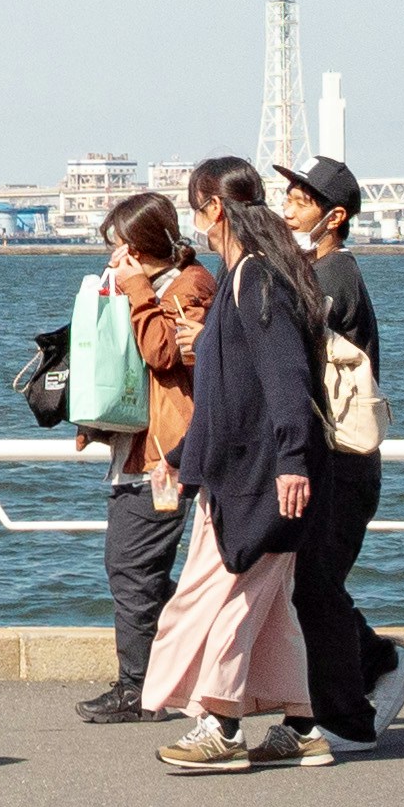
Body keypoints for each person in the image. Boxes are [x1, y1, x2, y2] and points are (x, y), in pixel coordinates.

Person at [144, 158, 328, 771]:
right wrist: (182, 458)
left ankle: (220, 727)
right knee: (270, 605)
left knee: (228, 601)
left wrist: (293, 460)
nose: (194, 221)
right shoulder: (249, 275)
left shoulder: (255, 278)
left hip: (264, 479)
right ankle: (301, 726)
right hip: (253, 471)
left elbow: (285, 377)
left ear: (213, 209)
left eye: (194, 208)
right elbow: (233, 392)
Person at [277, 156, 404, 751]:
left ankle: (350, 707)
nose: (289, 202)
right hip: (329, 461)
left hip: (343, 463)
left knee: (314, 586)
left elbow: (292, 340)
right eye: (289, 192)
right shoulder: (313, 268)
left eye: (303, 197)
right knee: (312, 585)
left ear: (333, 216)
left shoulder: (337, 275)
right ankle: (369, 665)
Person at [75, 191, 210, 724]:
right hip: (139, 452)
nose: (113, 259)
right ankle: (180, 665)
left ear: (141, 245)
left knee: (132, 569)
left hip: (166, 459)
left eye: (120, 249)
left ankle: (140, 688)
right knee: (137, 572)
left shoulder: (190, 285)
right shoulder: (155, 286)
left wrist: (133, 288)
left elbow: (163, 352)